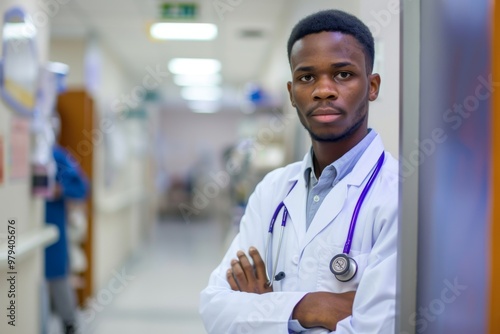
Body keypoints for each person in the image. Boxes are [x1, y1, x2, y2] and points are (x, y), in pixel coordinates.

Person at [199, 9, 398, 333]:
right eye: (307, 77)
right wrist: (310, 307)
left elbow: (380, 327)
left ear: (372, 86)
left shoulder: (399, 194)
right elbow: (215, 309)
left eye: (343, 74)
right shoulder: (273, 189)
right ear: (292, 94)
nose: (323, 90)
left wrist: (265, 310)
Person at [45, 114, 89, 334]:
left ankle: (69, 323)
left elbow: (81, 187)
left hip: (53, 228)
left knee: (58, 277)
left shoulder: (57, 157)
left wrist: (60, 191)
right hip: (29, 233)